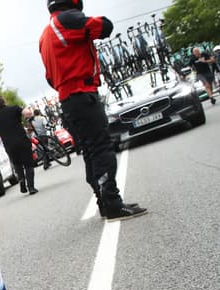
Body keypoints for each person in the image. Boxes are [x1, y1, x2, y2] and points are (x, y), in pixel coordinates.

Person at [39, 0, 147, 221]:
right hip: (82, 93)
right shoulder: (66, 20)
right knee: (101, 149)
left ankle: (104, 203)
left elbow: (50, 77)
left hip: (67, 99)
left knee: (90, 152)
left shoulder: (44, 35)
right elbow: (104, 26)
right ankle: (113, 204)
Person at [0, 96, 38, 194]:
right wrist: (26, 110)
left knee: (17, 164)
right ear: (5, 101)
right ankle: (31, 188)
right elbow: (27, 113)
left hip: (9, 145)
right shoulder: (14, 108)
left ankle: (21, 181)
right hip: (22, 140)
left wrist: (4, 131)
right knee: (28, 164)